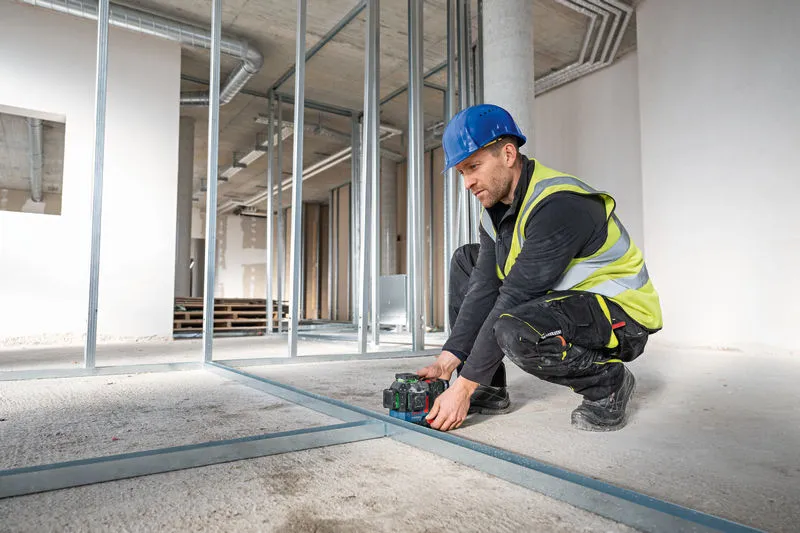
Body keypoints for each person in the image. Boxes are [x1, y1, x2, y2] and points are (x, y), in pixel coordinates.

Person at [417, 103, 662, 432]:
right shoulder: (495, 213)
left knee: (514, 328)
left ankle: (609, 384)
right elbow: (485, 287)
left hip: (621, 315)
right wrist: (449, 358)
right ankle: (488, 385)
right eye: (462, 172)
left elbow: (515, 294)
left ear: (507, 154)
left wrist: (462, 389)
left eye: (473, 166)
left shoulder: (559, 204)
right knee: (468, 261)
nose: (467, 183)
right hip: (567, 303)